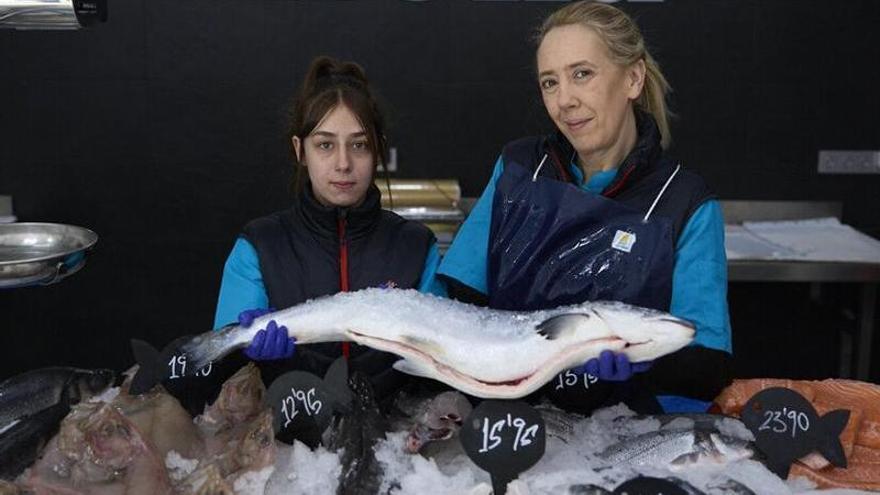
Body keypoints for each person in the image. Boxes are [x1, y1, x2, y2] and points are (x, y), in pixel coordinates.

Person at [437, 1, 732, 413]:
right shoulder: (518, 168)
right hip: (514, 424)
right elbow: (458, 302)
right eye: (550, 83)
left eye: (582, 74)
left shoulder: (684, 202)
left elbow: (707, 364)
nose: (565, 100)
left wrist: (639, 364)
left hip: (623, 436)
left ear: (632, 78)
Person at [213, 56, 445, 400]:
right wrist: (247, 351)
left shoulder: (416, 245)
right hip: (289, 440)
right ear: (300, 150)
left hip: (393, 439)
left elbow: (442, 366)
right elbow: (220, 365)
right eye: (325, 145)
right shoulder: (259, 244)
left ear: (378, 149)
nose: (343, 163)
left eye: (359, 145)